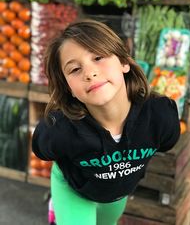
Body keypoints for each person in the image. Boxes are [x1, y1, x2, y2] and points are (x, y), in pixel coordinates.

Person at [32, 19, 180, 225]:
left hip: (116, 194)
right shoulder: (59, 130)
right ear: (68, 88)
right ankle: (58, 207)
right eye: (74, 69)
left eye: (98, 57)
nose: (90, 73)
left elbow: (167, 142)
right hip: (73, 188)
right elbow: (42, 150)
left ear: (124, 62)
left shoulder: (160, 116)